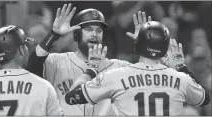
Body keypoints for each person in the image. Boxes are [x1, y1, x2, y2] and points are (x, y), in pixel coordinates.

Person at [27, 4, 153, 115]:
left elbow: (149, 76)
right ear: (77, 34)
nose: (95, 34)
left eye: (99, 30)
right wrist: (54, 35)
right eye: (89, 29)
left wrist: (145, 45)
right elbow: (32, 64)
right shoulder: (57, 61)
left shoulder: (117, 66)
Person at [65, 21, 210, 115]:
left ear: (136, 46)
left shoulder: (116, 76)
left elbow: (71, 97)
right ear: (165, 49)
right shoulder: (181, 78)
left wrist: (91, 70)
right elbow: (205, 98)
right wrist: (181, 67)